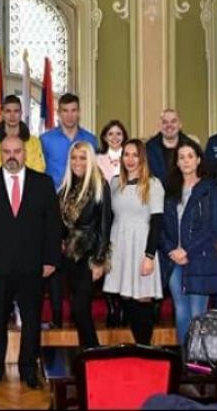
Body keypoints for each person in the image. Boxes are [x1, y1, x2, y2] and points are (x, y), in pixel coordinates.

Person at [0, 135, 61, 391]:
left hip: (32, 266)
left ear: (25, 153)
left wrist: (51, 259)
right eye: (6, 151)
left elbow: (53, 226)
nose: (12, 156)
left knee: (31, 321)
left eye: (17, 151)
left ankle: (28, 370)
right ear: (0, 153)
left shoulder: (43, 183)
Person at [40, 94, 98, 328]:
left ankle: (78, 309)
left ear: (79, 112)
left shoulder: (90, 139)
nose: (70, 115)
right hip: (54, 206)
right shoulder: (46, 140)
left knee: (79, 260)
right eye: (65, 110)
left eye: (74, 110)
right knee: (56, 256)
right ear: (59, 113)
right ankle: (56, 313)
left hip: (82, 207)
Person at [162, 140, 217, 343]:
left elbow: (215, 228)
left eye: (190, 156)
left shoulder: (210, 189)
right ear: (177, 162)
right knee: (181, 310)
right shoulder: (170, 190)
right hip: (174, 259)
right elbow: (161, 225)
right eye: (181, 157)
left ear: (198, 160)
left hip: (201, 257)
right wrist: (171, 250)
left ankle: (198, 357)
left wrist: (187, 250)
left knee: (198, 313)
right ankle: (184, 355)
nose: (186, 161)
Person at [102, 139, 165, 346]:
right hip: (119, 245)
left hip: (142, 246)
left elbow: (157, 222)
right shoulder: (115, 183)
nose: (130, 159)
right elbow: (109, 217)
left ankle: (145, 349)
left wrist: (149, 256)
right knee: (125, 297)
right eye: (126, 154)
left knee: (142, 298)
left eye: (135, 155)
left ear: (142, 158)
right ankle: (139, 349)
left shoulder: (153, 184)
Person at [57, 141, 112, 348]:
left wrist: (99, 260)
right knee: (78, 311)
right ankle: (87, 354)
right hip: (70, 257)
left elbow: (105, 225)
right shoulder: (66, 188)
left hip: (90, 255)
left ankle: (94, 354)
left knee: (81, 309)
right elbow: (61, 225)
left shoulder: (100, 186)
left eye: (82, 158)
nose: (77, 162)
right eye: (74, 158)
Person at [94, 119, 128, 327]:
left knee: (124, 263)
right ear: (105, 138)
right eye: (111, 134)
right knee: (108, 261)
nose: (115, 138)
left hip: (126, 216)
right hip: (105, 216)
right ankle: (111, 306)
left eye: (118, 134)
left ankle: (123, 306)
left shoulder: (131, 157)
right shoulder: (98, 160)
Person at [0, 94, 45, 174]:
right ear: (2, 113)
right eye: (8, 111)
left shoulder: (34, 142)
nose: (12, 115)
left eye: (16, 111)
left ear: (21, 113)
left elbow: (39, 172)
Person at [145, 109, 198, 190]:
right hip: (156, 192)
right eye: (165, 122)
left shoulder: (191, 145)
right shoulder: (148, 148)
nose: (169, 125)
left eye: (173, 121)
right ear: (159, 126)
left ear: (180, 125)